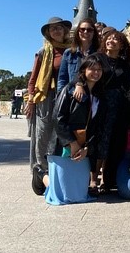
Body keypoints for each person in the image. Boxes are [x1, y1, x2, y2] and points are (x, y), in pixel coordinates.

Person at [33, 54, 107, 205]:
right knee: (63, 197)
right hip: (62, 146)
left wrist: (86, 148)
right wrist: (71, 143)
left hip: (83, 147)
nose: (96, 72)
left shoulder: (100, 95)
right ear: (83, 71)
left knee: (79, 195)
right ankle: (41, 174)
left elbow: (98, 127)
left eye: (99, 69)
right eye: (92, 69)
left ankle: (49, 177)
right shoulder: (70, 90)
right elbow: (58, 119)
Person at [26, 17, 72, 175]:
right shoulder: (44, 51)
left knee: (60, 131)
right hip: (46, 95)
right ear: (48, 33)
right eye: (53, 29)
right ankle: (40, 167)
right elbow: (33, 78)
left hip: (64, 95)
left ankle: (56, 165)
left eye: (59, 27)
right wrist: (30, 101)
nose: (57, 31)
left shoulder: (70, 49)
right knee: (43, 131)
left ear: (65, 30)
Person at [96, 30, 130, 192]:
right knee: (99, 141)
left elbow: (127, 86)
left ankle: (106, 178)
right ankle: (93, 178)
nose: (112, 40)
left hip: (118, 106)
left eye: (116, 39)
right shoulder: (97, 58)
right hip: (101, 103)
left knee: (111, 142)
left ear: (122, 45)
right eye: (109, 38)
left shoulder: (124, 64)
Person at [57, 18, 99, 94]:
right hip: (71, 96)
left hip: (93, 97)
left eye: (89, 30)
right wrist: (60, 95)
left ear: (94, 33)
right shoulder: (68, 53)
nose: (85, 32)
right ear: (78, 32)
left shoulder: (99, 53)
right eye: (82, 29)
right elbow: (62, 78)